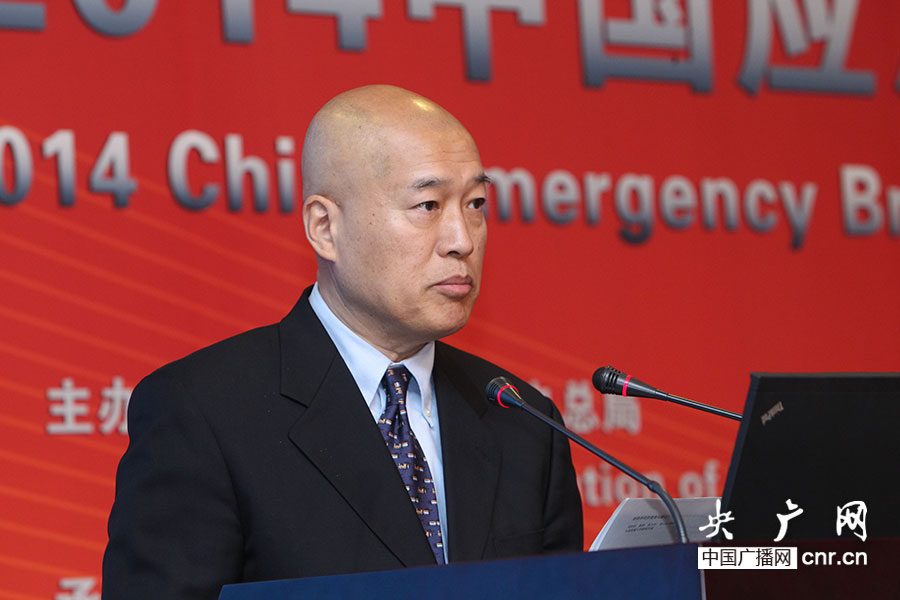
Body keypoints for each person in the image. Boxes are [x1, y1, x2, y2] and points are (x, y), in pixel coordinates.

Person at [102, 85, 582, 599]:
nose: (462, 239)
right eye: (427, 204)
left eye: (476, 204)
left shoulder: (523, 421)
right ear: (325, 227)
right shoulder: (204, 413)